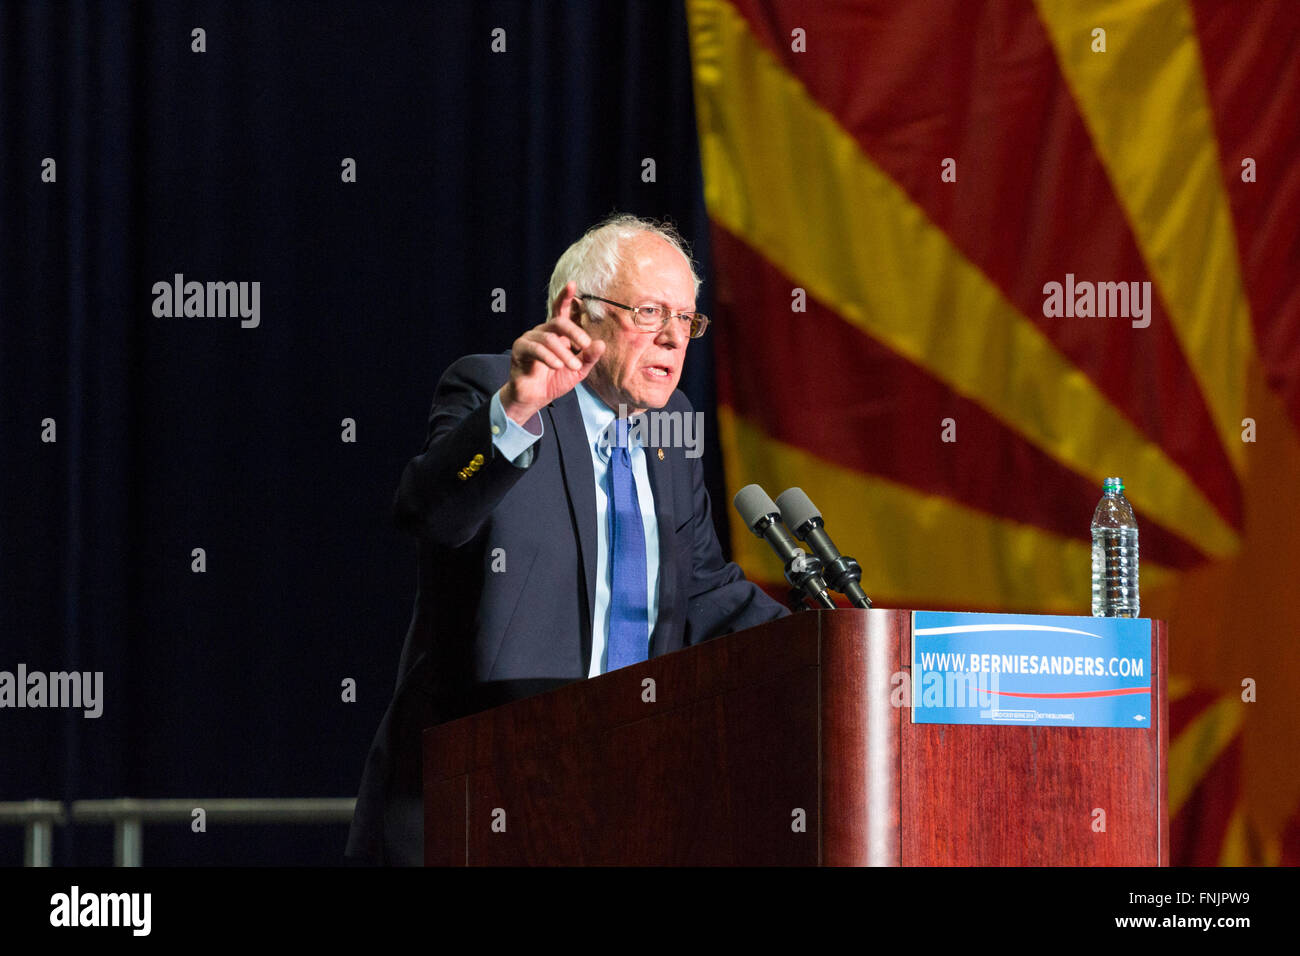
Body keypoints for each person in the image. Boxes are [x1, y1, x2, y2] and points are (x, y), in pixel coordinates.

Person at [345, 214, 788, 865]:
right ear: (578, 309)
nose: (673, 338)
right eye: (650, 313)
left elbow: (703, 591)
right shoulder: (492, 387)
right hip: (486, 795)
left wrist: (844, 644)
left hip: (626, 800)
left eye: (687, 320)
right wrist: (516, 410)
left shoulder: (677, 426)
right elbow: (431, 513)